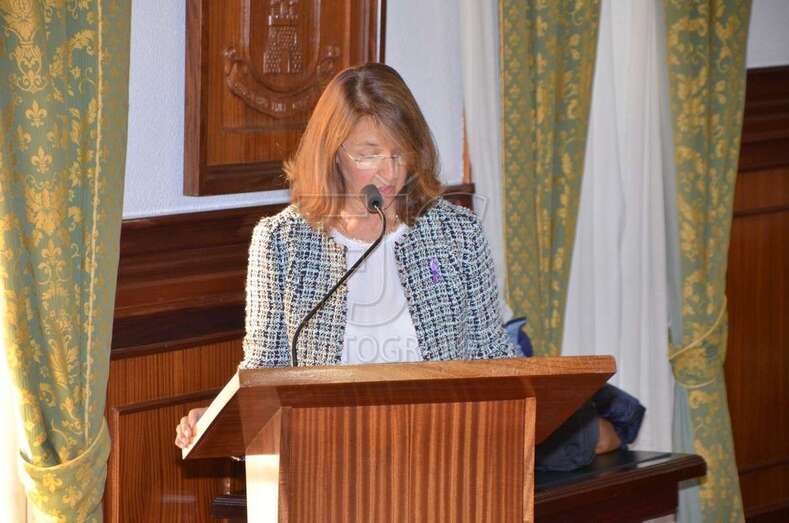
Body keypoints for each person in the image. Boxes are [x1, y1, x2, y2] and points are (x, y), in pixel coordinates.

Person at [174, 63, 623, 459]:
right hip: (327, 470)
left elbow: (493, 357)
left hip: (447, 463)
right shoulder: (282, 242)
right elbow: (261, 377)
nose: (389, 173)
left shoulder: (455, 233)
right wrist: (214, 420)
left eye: (399, 153)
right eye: (369, 154)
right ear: (333, 153)